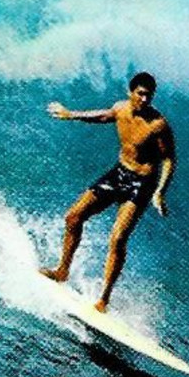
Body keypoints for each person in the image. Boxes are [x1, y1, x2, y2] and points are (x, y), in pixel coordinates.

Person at [39, 72, 175, 312]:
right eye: (140, 93)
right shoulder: (121, 109)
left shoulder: (158, 125)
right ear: (130, 92)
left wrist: (160, 192)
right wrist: (70, 114)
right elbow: (102, 116)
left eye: (149, 95)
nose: (144, 99)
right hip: (119, 173)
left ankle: (103, 299)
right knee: (73, 217)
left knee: (118, 238)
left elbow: (168, 159)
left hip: (141, 184)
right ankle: (62, 271)